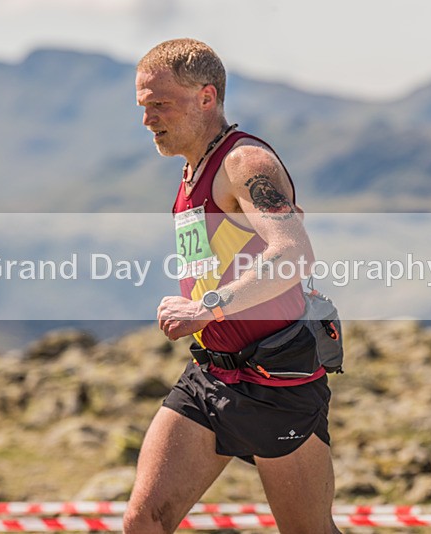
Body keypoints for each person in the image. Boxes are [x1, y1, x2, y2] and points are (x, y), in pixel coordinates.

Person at [125, 38, 340, 534]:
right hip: (212, 374)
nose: (148, 120)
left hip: (277, 382)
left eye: (160, 105)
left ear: (207, 97)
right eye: (143, 107)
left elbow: (293, 253)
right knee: (144, 519)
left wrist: (208, 307)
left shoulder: (244, 163)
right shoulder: (193, 168)